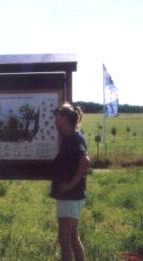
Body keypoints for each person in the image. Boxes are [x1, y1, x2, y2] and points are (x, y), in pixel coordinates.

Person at [50, 103, 90, 261]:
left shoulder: (73, 139)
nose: (54, 119)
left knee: (65, 240)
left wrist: (70, 185)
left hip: (70, 197)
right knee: (73, 238)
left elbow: (85, 160)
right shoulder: (71, 137)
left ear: (64, 119)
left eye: (57, 116)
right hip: (73, 196)